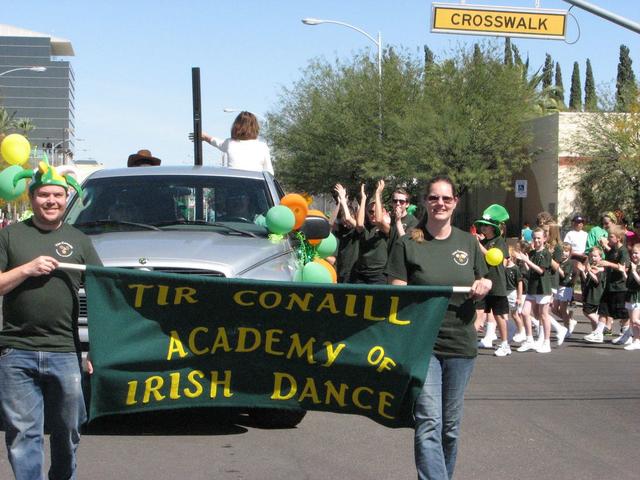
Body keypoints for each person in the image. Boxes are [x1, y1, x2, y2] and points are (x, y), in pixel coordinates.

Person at [0, 161, 102, 480]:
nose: (51, 201)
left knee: (68, 431)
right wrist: (27, 269)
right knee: (22, 435)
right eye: (44, 194)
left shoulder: (80, 240)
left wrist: (96, 351)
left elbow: (103, 296)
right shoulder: (11, 236)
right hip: (16, 351)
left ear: (66, 198)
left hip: (66, 353)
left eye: (57, 195)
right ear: (31, 198)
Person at [386, 175, 491, 480]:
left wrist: (483, 288)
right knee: (428, 420)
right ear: (425, 202)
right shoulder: (408, 243)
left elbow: (482, 282)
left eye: (446, 198)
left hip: (461, 344)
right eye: (434, 198)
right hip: (424, 345)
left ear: (455, 203)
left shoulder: (468, 242)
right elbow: (397, 294)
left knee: (450, 427)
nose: (440, 204)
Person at [473, 204, 512, 357]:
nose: (483, 228)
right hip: (483, 283)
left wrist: (478, 246)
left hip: (497, 284)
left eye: (486, 226)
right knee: (478, 313)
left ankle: (504, 344)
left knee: (499, 315)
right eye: (482, 225)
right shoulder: (482, 242)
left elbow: (493, 257)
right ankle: (469, 343)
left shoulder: (499, 241)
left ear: (493, 228)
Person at [584, 225, 630, 343]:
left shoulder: (623, 251)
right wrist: (600, 268)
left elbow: (624, 268)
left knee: (623, 313)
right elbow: (608, 262)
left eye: (611, 237)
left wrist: (608, 264)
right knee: (603, 309)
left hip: (620, 287)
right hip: (609, 285)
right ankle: (598, 333)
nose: (608, 239)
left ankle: (627, 335)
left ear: (619, 238)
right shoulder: (612, 250)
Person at [192, 111, 273, 174]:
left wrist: (205, 136)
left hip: (233, 191)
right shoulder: (262, 146)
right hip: (256, 190)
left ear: (236, 127)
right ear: (255, 128)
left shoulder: (230, 143)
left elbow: (216, 142)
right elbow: (269, 172)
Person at [516, 228, 555, 353]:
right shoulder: (532, 253)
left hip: (543, 288)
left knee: (543, 315)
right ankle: (529, 340)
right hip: (532, 288)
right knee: (524, 312)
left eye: (539, 238)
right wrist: (525, 261)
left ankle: (546, 342)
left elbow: (541, 271)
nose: (537, 240)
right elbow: (530, 271)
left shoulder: (546, 254)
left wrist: (527, 261)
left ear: (544, 239)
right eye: (535, 238)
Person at [353, 181, 389, 284]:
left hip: (379, 275)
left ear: (384, 212)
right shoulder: (366, 229)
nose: (373, 214)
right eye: (370, 212)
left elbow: (379, 220)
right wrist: (363, 198)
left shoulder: (386, 228)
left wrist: (378, 194)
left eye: (375, 211)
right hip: (361, 275)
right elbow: (359, 224)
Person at [328, 183, 358, 283]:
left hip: (354, 272)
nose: (346, 223)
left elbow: (349, 218)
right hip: (341, 271)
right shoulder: (342, 229)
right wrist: (339, 203)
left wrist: (344, 201)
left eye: (348, 220)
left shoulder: (357, 230)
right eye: (344, 220)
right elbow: (330, 224)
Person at [576, 247, 606, 331]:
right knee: (592, 314)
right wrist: (582, 271)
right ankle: (595, 332)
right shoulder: (593, 266)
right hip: (589, 293)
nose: (593, 258)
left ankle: (602, 326)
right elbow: (587, 280)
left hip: (596, 294)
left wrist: (589, 270)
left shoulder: (601, 267)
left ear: (600, 257)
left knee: (587, 311)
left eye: (595, 256)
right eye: (592, 256)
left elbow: (597, 280)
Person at [381, 186, 419, 253]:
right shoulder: (388, 218)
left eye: (401, 201)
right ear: (392, 203)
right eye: (395, 201)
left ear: (407, 204)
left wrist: (398, 221)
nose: (398, 204)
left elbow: (406, 243)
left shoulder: (413, 221)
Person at [622, 243, 640, 350]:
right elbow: (628, 282)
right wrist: (623, 272)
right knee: (633, 322)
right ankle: (636, 340)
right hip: (630, 295)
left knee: (635, 320)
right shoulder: (633, 266)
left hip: (638, 295)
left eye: (636, 253)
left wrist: (633, 271)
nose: (634, 255)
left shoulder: (637, 267)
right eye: (633, 253)